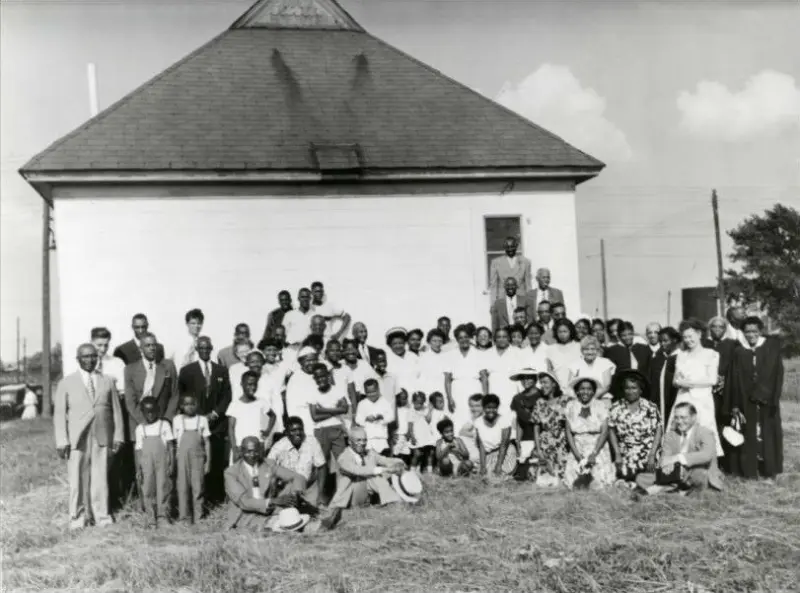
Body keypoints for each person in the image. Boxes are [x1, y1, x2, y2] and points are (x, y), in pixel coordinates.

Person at [54, 344, 124, 530]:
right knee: (77, 478)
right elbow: (59, 414)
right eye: (85, 356)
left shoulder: (108, 381)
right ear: (78, 359)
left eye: (93, 356)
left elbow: (116, 411)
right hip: (77, 438)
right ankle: (77, 518)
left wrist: (118, 436)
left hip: (102, 434)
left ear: (97, 358)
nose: (90, 359)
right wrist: (62, 441)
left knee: (101, 477)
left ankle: (102, 516)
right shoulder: (67, 383)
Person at [225, 436, 342, 532]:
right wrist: (273, 501)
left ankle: (306, 517)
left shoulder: (268, 463)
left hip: (270, 508)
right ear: (241, 451)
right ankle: (313, 526)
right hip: (246, 514)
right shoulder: (231, 473)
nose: (253, 455)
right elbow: (245, 502)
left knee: (291, 494)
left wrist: (296, 495)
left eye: (256, 451)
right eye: (249, 451)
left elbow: (297, 477)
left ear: (260, 450)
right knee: (276, 524)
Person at [725, 317, 784, 480]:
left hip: (767, 400)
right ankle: (749, 470)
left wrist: (766, 395)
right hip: (745, 401)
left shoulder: (770, 348)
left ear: (760, 331)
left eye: (754, 331)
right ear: (743, 332)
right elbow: (734, 380)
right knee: (748, 434)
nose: (751, 335)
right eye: (747, 331)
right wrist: (735, 404)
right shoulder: (739, 351)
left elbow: (776, 374)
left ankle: (769, 470)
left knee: (768, 434)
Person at [177, 336, 231, 503]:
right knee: (198, 462)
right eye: (201, 348)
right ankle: (200, 499)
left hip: (216, 424)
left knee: (215, 461)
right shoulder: (187, 371)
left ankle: (216, 499)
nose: (205, 351)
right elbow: (183, 396)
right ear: (196, 349)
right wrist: (198, 416)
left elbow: (226, 395)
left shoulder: (221, 370)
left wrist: (215, 414)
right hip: (195, 423)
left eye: (208, 348)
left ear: (212, 348)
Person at [635, 402, 723, 496]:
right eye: (676, 417)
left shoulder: (705, 432)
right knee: (641, 478)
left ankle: (660, 489)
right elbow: (664, 459)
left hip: (696, 473)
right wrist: (667, 466)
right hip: (676, 475)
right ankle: (679, 490)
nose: (679, 421)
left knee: (700, 474)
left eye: (683, 417)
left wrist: (678, 458)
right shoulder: (670, 435)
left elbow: (707, 455)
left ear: (694, 417)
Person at [667, 319, 722, 457]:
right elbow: (675, 380)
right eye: (685, 337)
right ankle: (680, 463)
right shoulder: (681, 355)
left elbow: (712, 379)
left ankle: (704, 464)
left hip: (702, 400)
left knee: (702, 428)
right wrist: (680, 384)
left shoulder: (711, 354)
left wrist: (689, 384)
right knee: (681, 426)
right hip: (683, 397)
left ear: (699, 334)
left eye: (690, 336)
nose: (687, 340)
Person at [329, 427, 406, 509]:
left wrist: (399, 462)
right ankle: (392, 500)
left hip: (365, 495)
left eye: (364, 440)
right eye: (358, 440)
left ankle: (392, 500)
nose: (362, 443)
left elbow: (384, 460)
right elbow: (358, 470)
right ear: (349, 442)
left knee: (380, 474)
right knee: (374, 474)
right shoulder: (344, 457)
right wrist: (385, 469)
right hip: (349, 498)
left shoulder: (369, 453)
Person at [607, 370, 662, 485]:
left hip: (647, 455)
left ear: (640, 390)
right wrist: (617, 454)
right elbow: (611, 430)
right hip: (625, 455)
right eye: (627, 388)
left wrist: (652, 455)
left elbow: (658, 431)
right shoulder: (616, 407)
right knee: (623, 482)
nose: (630, 391)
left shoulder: (651, 407)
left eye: (634, 388)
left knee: (647, 481)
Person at [124, 333, 179, 441]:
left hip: (163, 422)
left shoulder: (168, 365)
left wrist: (166, 420)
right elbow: (130, 401)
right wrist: (144, 422)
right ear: (141, 349)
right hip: (139, 423)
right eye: (147, 345)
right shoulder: (130, 369)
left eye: (154, 345)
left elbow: (174, 395)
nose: (152, 348)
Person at [563, 377, 615, 489]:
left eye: (589, 389)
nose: (585, 392)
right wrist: (577, 454)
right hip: (577, 446)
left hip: (597, 446)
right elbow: (568, 432)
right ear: (577, 391)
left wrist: (594, 453)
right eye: (582, 389)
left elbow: (605, 431)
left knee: (600, 483)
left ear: (593, 391)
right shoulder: (570, 406)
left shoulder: (601, 405)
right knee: (574, 484)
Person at [308, 362, 349, 497]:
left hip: (337, 429)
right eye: (317, 377)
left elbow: (345, 408)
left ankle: (344, 493)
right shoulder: (312, 392)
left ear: (328, 375)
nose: (321, 379)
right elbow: (314, 416)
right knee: (322, 464)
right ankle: (321, 495)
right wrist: (335, 411)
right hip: (321, 431)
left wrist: (323, 409)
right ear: (314, 379)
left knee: (343, 461)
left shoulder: (337, 390)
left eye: (323, 376)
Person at [135, 396, 175, 527]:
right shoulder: (140, 429)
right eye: (147, 412)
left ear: (158, 410)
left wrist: (172, 463)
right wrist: (138, 469)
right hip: (146, 463)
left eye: (153, 411)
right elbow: (139, 451)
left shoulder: (164, 425)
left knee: (163, 486)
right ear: (142, 412)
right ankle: (151, 518)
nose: (150, 414)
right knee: (148, 488)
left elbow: (170, 446)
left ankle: (163, 516)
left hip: (162, 462)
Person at [267, 417, 327, 506]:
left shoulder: (312, 442)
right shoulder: (279, 446)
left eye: (300, 429)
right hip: (289, 487)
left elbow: (321, 467)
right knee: (289, 511)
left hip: (309, 486)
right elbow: (267, 467)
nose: (298, 433)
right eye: (293, 430)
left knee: (315, 508)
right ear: (286, 433)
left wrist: (321, 493)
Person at [172, 393, 211, 523]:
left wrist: (208, 462)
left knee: (198, 487)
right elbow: (174, 443)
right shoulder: (177, 420)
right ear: (181, 406)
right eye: (186, 404)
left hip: (198, 458)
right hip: (182, 458)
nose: (189, 407)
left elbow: (207, 442)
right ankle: (184, 517)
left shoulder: (202, 420)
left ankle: (198, 517)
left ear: (197, 405)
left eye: (192, 404)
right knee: (182, 487)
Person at [444, 324, 489, 431]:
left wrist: (485, 397)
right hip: (457, 391)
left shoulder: (478, 354)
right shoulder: (451, 355)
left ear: (470, 338)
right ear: (457, 339)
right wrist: (449, 398)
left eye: (466, 337)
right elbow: (447, 379)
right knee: (458, 420)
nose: (464, 340)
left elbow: (484, 378)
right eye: (460, 338)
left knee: (476, 420)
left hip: (475, 390)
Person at [226, 371, 274, 462]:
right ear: (241, 384)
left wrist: (267, 431)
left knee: (257, 472)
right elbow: (231, 428)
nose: (252, 387)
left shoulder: (261, 402)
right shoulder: (235, 404)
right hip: (241, 447)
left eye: (255, 384)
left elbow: (273, 416)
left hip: (257, 446)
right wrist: (234, 449)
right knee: (239, 474)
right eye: (249, 384)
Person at [532, 371, 569, 486]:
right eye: (541, 383)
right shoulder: (540, 402)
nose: (542, 385)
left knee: (563, 478)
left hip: (562, 442)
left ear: (554, 384)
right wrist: (538, 449)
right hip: (545, 442)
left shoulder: (565, 400)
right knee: (544, 479)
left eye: (545, 382)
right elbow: (536, 427)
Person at [703, 316, 740, 418]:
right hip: (707, 386)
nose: (717, 329)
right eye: (714, 326)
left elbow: (736, 366)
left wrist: (724, 380)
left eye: (721, 327)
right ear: (710, 328)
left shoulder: (732, 344)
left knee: (723, 416)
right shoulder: (704, 344)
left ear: (725, 329)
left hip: (726, 386)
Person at [508, 368, 541, 481]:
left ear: (535, 379)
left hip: (540, 437)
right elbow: (519, 421)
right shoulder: (517, 398)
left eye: (529, 377)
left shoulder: (542, 395)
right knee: (522, 469)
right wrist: (518, 441)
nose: (526, 380)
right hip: (526, 438)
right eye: (523, 378)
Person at [474, 394, 515, 478]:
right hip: (489, 454)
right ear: (483, 407)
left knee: (500, 473)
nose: (491, 410)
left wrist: (499, 465)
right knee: (484, 474)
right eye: (488, 408)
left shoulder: (504, 420)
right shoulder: (478, 422)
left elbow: (504, 445)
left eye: (494, 408)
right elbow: (481, 446)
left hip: (504, 452)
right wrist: (482, 466)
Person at [484, 327, 522, 416]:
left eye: (504, 337)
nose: (501, 339)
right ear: (495, 339)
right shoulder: (487, 353)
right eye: (499, 337)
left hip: (511, 391)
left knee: (512, 417)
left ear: (509, 338)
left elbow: (521, 376)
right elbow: (484, 377)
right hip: (493, 391)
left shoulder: (517, 352)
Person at [566, 336, 616, 403]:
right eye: (586, 349)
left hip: (602, 400)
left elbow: (606, 386)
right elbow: (570, 388)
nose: (590, 352)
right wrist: (580, 400)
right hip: (579, 401)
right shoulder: (574, 365)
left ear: (597, 350)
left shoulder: (605, 363)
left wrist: (590, 400)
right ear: (582, 351)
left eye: (592, 349)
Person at [648, 326, 681, 423]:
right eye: (661, 341)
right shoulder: (657, 359)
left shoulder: (680, 358)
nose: (662, 344)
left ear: (674, 340)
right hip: (659, 402)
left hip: (674, 400)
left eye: (666, 341)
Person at [284, 347, 320, 433]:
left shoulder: (319, 374)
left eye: (314, 360)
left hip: (320, 421)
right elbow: (291, 408)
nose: (311, 363)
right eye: (308, 360)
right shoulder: (295, 379)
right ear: (301, 362)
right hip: (304, 422)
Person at [355, 378, 395, 454]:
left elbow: (391, 417)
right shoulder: (362, 404)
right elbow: (358, 419)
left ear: (378, 390)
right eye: (368, 392)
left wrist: (383, 417)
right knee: (370, 459)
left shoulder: (384, 402)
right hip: (369, 437)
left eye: (374, 391)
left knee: (383, 458)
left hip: (382, 437)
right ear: (365, 392)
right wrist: (366, 418)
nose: (372, 394)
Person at [488, 236, 532, 301]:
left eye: (512, 246)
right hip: (503, 299)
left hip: (520, 299)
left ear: (516, 246)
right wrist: (493, 304)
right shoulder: (496, 263)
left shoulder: (525, 262)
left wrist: (529, 302)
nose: (510, 249)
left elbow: (528, 285)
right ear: (504, 248)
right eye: (507, 247)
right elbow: (493, 286)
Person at [546, 319, 582, 390]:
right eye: (560, 332)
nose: (562, 334)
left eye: (565, 331)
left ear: (571, 331)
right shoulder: (550, 349)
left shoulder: (579, 347)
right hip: (558, 388)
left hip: (576, 387)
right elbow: (550, 370)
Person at [384, 327, 421, 395]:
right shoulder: (386, 360)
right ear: (389, 345)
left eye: (401, 343)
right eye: (394, 344)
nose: (398, 346)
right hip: (396, 397)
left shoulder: (413, 357)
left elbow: (420, 377)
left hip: (415, 397)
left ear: (405, 343)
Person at [91, 327, 126, 392]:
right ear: (91, 343)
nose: (103, 349)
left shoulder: (118, 363)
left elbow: (122, 388)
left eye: (106, 345)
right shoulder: (84, 363)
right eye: (99, 345)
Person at [409, 391, 436, 473]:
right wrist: (412, 436)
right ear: (413, 402)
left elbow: (428, 420)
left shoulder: (425, 409)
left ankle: (429, 472)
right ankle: (412, 471)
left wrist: (430, 410)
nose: (419, 405)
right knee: (417, 454)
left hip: (426, 435)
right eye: (417, 403)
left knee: (429, 453)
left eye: (421, 403)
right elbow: (410, 426)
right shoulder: (411, 411)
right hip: (417, 435)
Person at [418, 329, 449, 396]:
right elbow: (420, 378)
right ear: (429, 342)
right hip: (427, 392)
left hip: (442, 392)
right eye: (434, 341)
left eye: (440, 341)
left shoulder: (447, 357)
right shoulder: (422, 357)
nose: (437, 344)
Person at [458, 394, 486, 463]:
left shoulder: (486, 417)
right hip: (475, 446)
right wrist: (473, 434)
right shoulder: (473, 418)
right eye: (472, 406)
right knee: (461, 439)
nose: (474, 409)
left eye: (477, 406)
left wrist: (474, 435)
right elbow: (461, 432)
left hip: (485, 448)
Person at [392, 391, 413, 466]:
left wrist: (409, 432)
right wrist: (393, 434)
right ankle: (395, 466)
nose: (405, 400)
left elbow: (410, 422)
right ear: (397, 399)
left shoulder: (408, 409)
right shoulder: (394, 410)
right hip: (398, 434)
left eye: (406, 398)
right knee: (396, 451)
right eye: (403, 399)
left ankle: (404, 467)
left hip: (405, 434)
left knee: (406, 451)